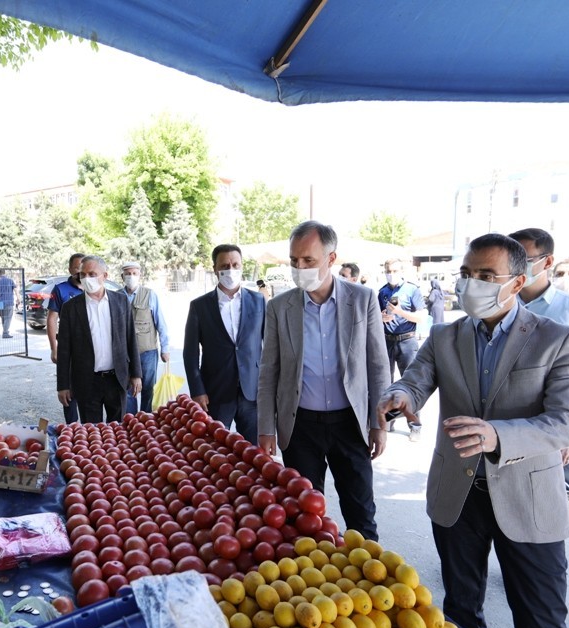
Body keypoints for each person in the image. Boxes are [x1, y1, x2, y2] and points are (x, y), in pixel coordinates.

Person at [377, 233, 569, 628]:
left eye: (487, 276)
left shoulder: (559, 340)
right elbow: (415, 380)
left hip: (529, 500)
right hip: (459, 495)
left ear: (518, 281)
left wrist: (497, 435)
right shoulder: (444, 336)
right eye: (468, 274)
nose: (473, 284)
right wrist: (399, 395)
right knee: (460, 619)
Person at [257, 222, 391, 540]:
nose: (300, 268)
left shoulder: (362, 300)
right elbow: (268, 372)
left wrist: (379, 422)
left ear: (331, 259)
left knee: (361, 513)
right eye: (294, 261)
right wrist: (265, 427)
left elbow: (378, 366)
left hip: (351, 423)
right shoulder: (279, 307)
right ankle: (315, 584)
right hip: (300, 425)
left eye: (308, 261)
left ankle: (369, 584)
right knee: (305, 516)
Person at [509, 228, 569, 523]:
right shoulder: (503, 304)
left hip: (554, 413)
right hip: (512, 415)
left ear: (547, 262)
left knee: (547, 507)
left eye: (523, 257)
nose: (514, 264)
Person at [184, 245, 265, 443]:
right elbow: (190, 353)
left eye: (235, 265)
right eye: (225, 265)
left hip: (251, 392)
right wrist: (197, 390)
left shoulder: (258, 301)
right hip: (215, 392)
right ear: (215, 269)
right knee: (214, 448)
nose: (231, 269)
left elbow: (271, 347)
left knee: (254, 451)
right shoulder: (200, 306)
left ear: (242, 266)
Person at [56, 256, 142, 423]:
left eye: (92, 274)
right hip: (87, 381)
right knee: (91, 437)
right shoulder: (70, 308)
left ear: (105, 276)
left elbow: (131, 338)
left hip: (116, 379)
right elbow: (64, 350)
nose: (87, 279)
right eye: (83, 275)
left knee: (117, 432)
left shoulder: (121, 301)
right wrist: (63, 385)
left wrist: (136, 374)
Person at [378, 258, 426, 441]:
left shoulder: (412, 290)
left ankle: (414, 425)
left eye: (395, 270)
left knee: (411, 386)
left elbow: (421, 317)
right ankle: (388, 421)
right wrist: (381, 317)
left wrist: (400, 313)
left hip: (407, 341)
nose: (391, 274)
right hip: (386, 341)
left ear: (402, 270)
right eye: (388, 270)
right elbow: (376, 315)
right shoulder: (382, 291)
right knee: (385, 383)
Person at [120, 262, 170, 413]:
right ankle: (131, 423)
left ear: (140, 275)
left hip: (147, 351)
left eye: (134, 273)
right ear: (122, 276)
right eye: (128, 274)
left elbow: (160, 322)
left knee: (148, 388)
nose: (131, 277)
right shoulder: (116, 296)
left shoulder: (150, 295)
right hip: (124, 353)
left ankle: (147, 421)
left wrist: (165, 348)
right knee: (128, 390)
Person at [48, 253, 85, 423]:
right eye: (78, 268)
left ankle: (89, 431)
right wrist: (54, 348)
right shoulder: (60, 289)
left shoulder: (94, 288)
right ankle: (72, 430)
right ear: (70, 269)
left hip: (91, 350)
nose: (81, 273)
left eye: (84, 268)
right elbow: (52, 319)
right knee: (68, 392)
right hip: (68, 349)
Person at [0, 269, 16, 338]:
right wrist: (18, 299)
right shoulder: (10, 281)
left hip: (0, 303)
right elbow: (15, 290)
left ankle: (5, 331)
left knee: (3, 318)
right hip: (9, 302)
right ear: (5, 273)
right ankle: (5, 332)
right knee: (8, 318)